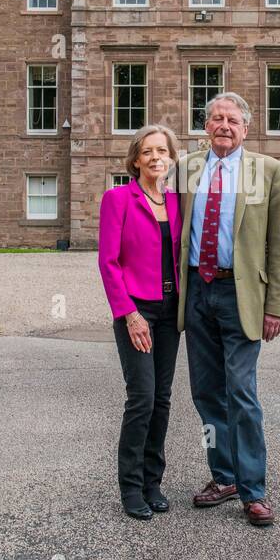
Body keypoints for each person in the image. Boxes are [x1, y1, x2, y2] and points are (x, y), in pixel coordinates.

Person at [176, 92, 280, 527]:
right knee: (206, 392)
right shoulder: (185, 169)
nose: (223, 125)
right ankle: (222, 476)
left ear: (246, 128)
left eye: (232, 120)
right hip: (198, 292)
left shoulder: (267, 171)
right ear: (205, 126)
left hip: (240, 295)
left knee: (241, 392)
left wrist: (275, 306)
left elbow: (279, 244)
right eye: (216, 119)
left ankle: (253, 490)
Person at [98, 124, 183, 520]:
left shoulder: (178, 201)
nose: (155, 158)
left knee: (163, 400)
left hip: (170, 313)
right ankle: (130, 487)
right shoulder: (118, 199)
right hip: (137, 312)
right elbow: (108, 262)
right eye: (147, 151)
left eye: (162, 151)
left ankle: (153, 482)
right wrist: (129, 314)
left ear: (172, 158)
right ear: (135, 160)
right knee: (142, 398)